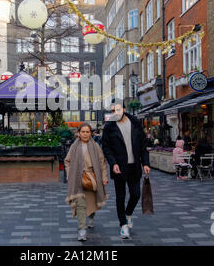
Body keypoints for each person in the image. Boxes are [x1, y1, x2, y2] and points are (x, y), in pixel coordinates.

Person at [101, 100, 150, 239]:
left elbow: (142, 145)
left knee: (135, 195)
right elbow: (106, 147)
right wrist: (113, 163)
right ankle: (123, 225)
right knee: (120, 197)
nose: (115, 113)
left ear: (123, 108)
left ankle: (128, 214)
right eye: (112, 111)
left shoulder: (135, 123)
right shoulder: (109, 127)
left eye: (117, 110)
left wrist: (145, 163)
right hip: (119, 168)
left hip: (134, 166)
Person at [64, 123, 108, 241]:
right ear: (79, 133)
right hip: (77, 178)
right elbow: (67, 161)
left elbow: (102, 162)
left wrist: (104, 177)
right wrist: (70, 174)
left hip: (93, 178)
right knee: (80, 204)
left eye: (87, 132)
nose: (85, 134)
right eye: (83, 132)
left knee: (92, 202)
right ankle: (82, 230)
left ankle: (91, 216)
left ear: (91, 133)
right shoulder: (74, 146)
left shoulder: (95, 146)